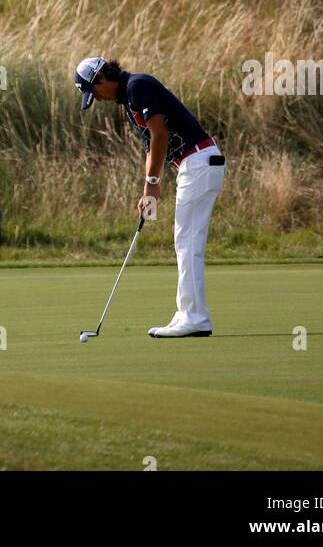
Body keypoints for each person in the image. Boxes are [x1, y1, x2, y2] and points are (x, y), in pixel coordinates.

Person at [75, 55, 225, 337]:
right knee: (184, 241)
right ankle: (187, 314)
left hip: (198, 163)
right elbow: (150, 147)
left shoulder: (137, 86)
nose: (97, 97)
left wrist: (154, 182)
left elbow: (160, 135)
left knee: (187, 242)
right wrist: (149, 191)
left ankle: (194, 317)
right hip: (194, 165)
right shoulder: (130, 99)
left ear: (101, 78)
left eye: (94, 91)